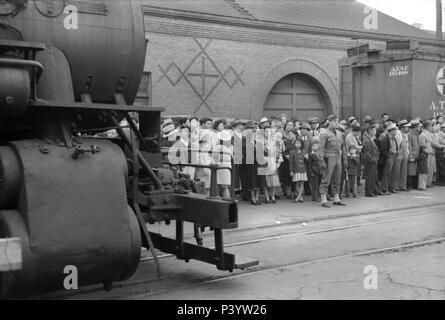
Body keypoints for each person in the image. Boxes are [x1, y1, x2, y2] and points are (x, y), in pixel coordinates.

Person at [319, 115, 346, 207]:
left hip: (338, 157)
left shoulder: (339, 133)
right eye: (334, 121)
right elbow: (321, 148)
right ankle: (323, 199)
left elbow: (343, 146)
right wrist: (321, 161)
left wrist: (344, 159)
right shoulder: (324, 133)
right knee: (326, 178)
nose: (336, 123)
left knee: (337, 178)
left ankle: (336, 198)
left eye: (337, 121)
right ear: (329, 122)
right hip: (329, 157)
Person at [380, 123, 399, 194]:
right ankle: (385, 188)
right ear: (391, 131)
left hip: (394, 156)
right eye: (395, 130)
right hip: (389, 156)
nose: (396, 131)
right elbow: (384, 149)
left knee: (394, 173)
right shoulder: (385, 138)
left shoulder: (394, 138)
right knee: (387, 173)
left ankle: (392, 188)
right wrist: (387, 156)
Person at [363, 125, 381, 197]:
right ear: (370, 131)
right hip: (370, 162)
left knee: (374, 177)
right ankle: (369, 192)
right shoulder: (367, 140)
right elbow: (367, 152)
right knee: (370, 177)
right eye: (374, 130)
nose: (375, 132)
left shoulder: (371, 139)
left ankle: (375, 190)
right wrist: (372, 160)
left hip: (374, 160)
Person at [279, 129, 297, 199]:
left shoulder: (298, 142)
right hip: (287, 162)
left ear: (295, 135)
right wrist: (287, 156)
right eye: (289, 134)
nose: (289, 136)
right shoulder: (285, 142)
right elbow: (283, 151)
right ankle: (288, 192)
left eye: (291, 134)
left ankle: (295, 192)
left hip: (296, 162)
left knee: (295, 178)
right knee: (287, 178)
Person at [408, 120, 421, 190]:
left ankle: (414, 185)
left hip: (416, 155)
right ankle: (409, 185)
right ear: (414, 127)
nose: (419, 128)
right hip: (412, 156)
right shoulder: (410, 135)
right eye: (418, 127)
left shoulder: (417, 135)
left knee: (415, 171)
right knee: (410, 171)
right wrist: (410, 156)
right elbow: (409, 146)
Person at [398, 120, 411, 191]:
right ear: (402, 127)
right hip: (399, 153)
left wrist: (408, 153)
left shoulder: (406, 135)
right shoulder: (398, 134)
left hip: (405, 153)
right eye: (406, 127)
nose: (408, 128)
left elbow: (407, 145)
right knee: (398, 170)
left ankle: (403, 186)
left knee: (404, 170)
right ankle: (397, 186)